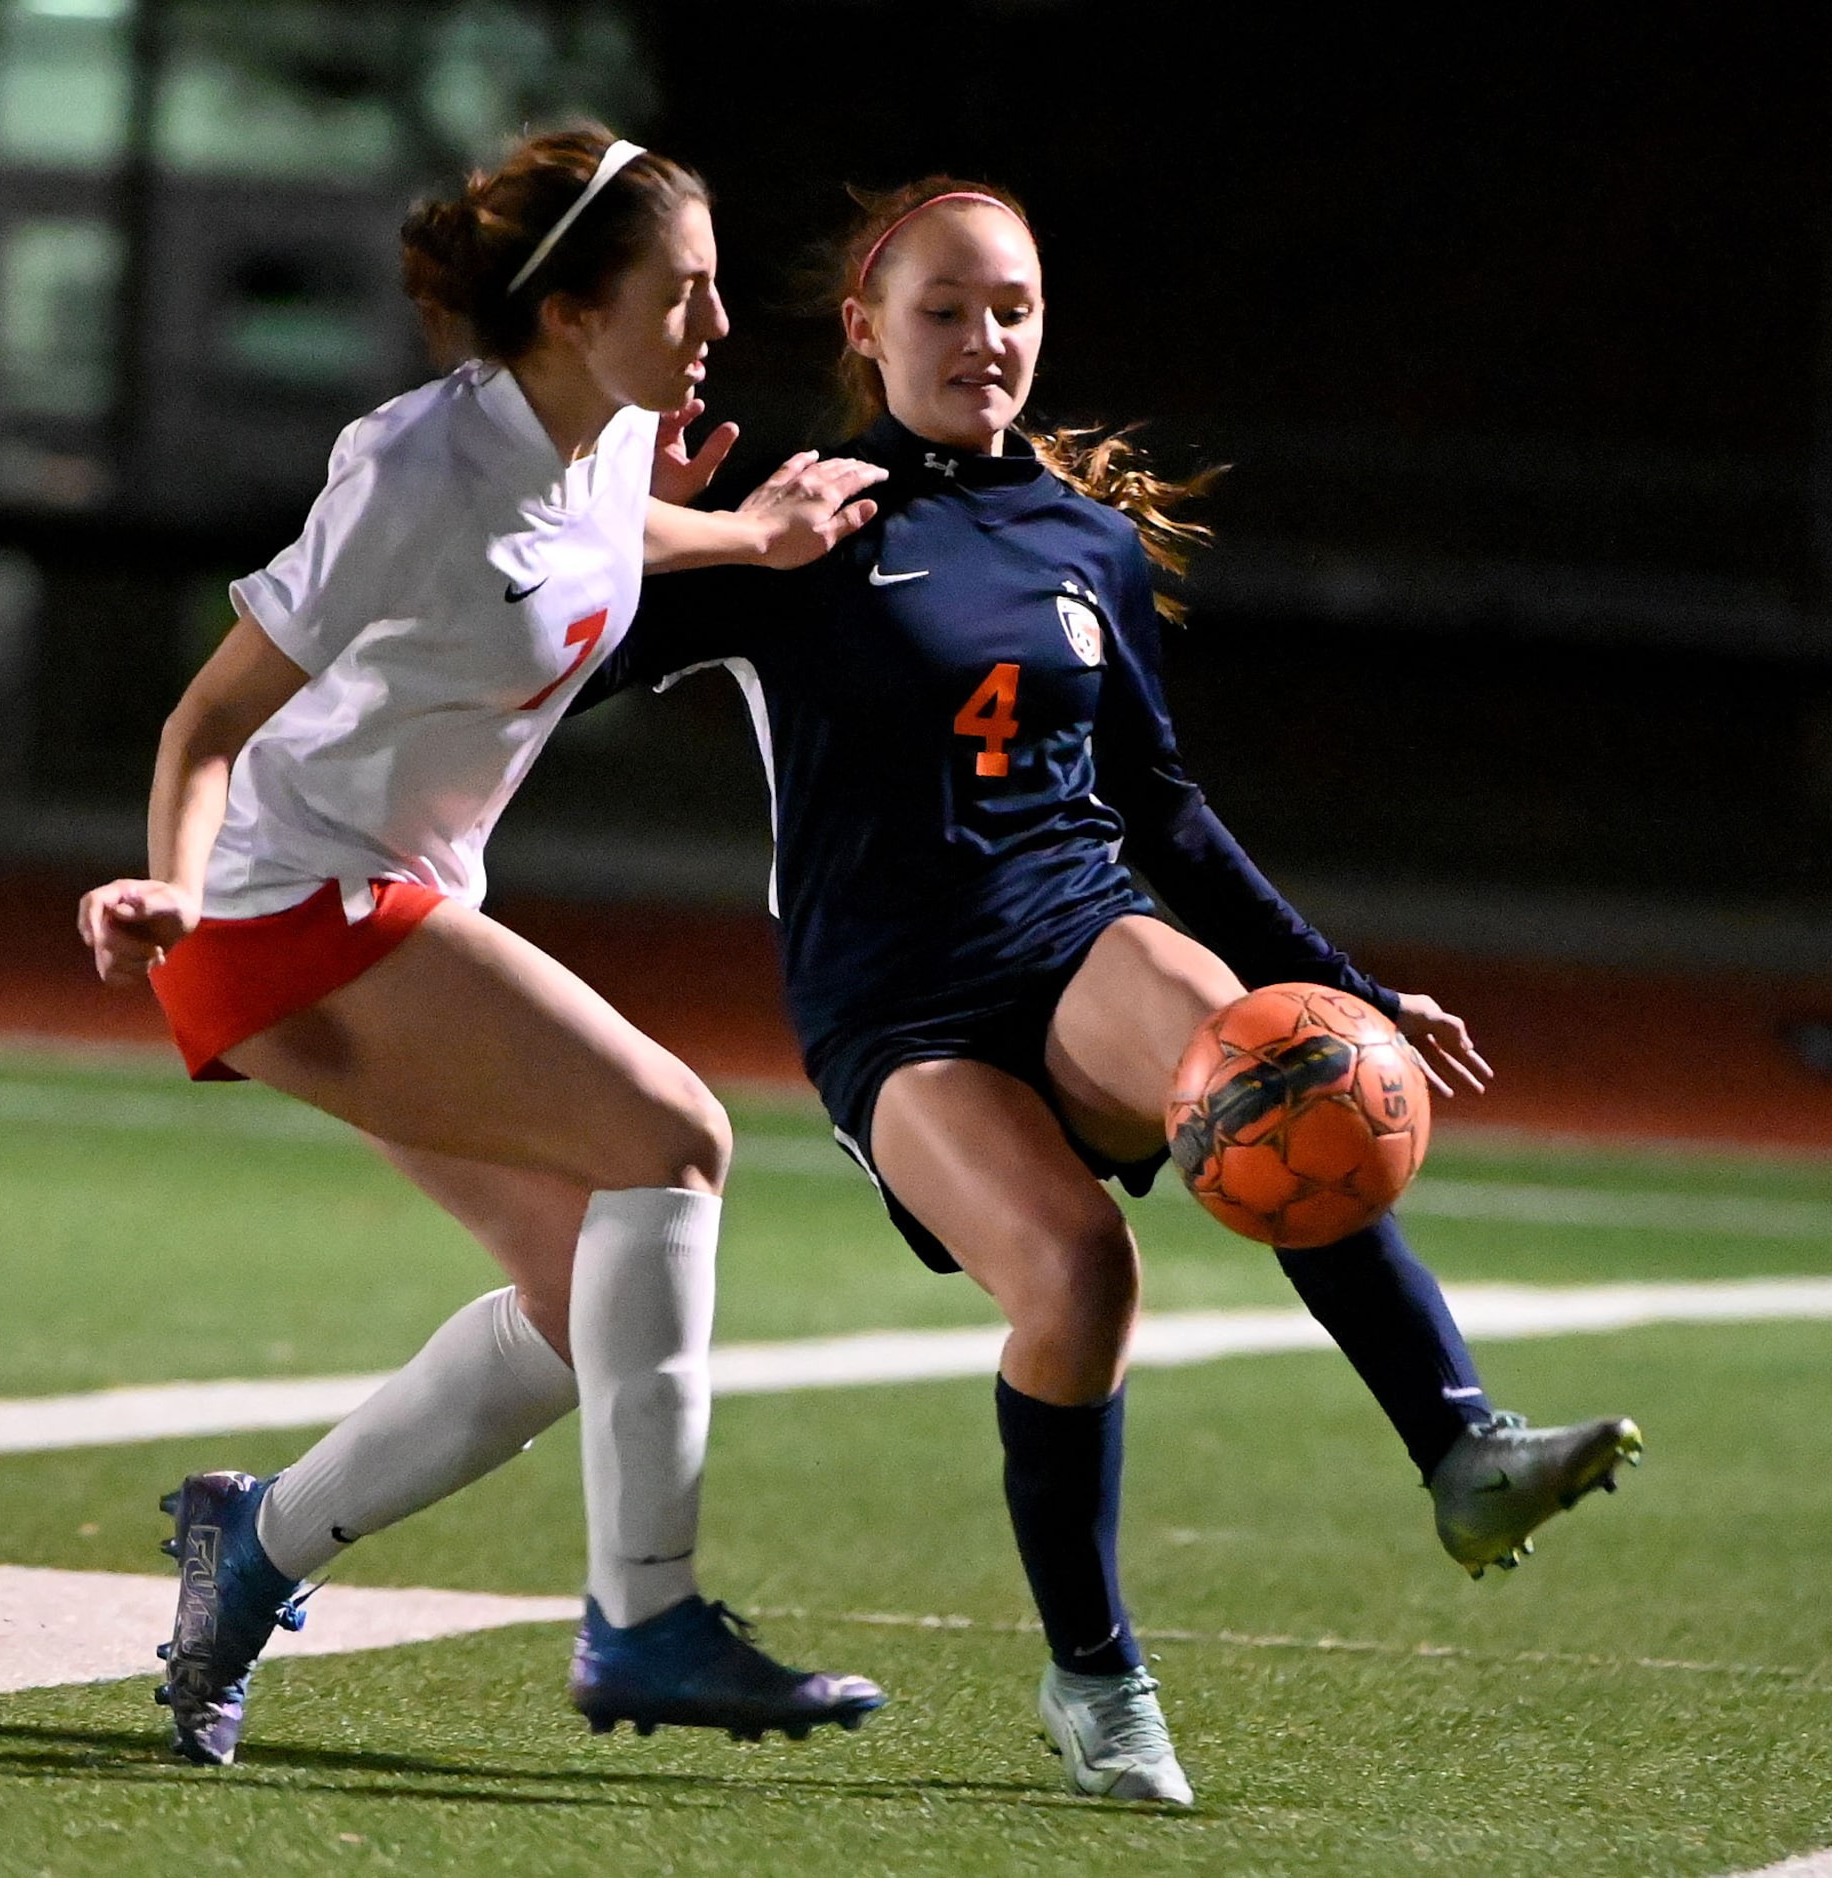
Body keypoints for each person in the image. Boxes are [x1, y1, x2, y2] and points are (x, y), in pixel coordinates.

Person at [581, 177, 1643, 1806]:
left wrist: (1349, 985)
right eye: (944, 308)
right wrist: (634, 520)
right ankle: (1097, 1678)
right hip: (898, 1003)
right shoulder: (797, 518)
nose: (984, 339)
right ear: (866, 330)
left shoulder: (1082, 536)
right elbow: (560, 649)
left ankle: (1460, 1443)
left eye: (1012, 307)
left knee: (1284, 1064)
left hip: (1076, 927)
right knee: (1080, 1284)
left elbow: (1161, 804)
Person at [77, 127, 891, 1766]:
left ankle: (254, 1551)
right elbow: (206, 721)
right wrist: (170, 886)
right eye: (687, 292)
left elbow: (608, 533)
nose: (716, 326)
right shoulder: (414, 465)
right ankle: (647, 1616)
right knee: (678, 1137)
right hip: (286, 899)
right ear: (574, 308)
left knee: (583, 1300)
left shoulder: (604, 432)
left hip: (394, 888)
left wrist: (749, 535)